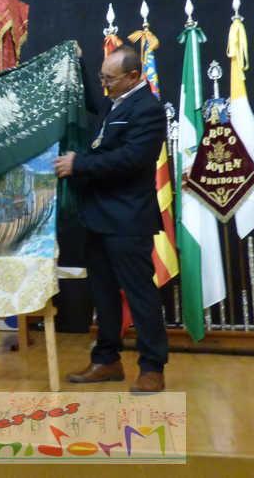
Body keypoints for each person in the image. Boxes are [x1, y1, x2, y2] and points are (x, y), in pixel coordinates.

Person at [53, 44, 169, 393]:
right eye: (102, 78)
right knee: (102, 293)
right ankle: (106, 360)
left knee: (139, 294)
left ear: (133, 76)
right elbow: (92, 100)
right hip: (98, 215)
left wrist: (79, 164)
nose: (104, 85)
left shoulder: (148, 109)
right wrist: (78, 61)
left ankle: (152, 367)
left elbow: (132, 159)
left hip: (128, 218)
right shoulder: (114, 100)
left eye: (110, 79)